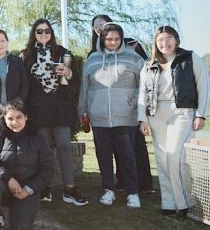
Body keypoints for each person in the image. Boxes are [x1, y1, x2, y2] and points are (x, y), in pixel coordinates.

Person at [138, 26, 209, 216]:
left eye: (168, 38)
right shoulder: (149, 64)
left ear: (176, 39)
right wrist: (142, 119)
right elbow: (142, 94)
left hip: (182, 112)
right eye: (160, 39)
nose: (165, 43)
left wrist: (201, 114)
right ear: (155, 43)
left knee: (174, 157)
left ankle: (184, 202)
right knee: (162, 160)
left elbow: (203, 87)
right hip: (156, 114)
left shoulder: (190, 58)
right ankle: (168, 203)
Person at [20, 19, 88, 206]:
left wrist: (67, 72)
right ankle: (44, 187)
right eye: (39, 31)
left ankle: (70, 189)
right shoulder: (26, 55)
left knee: (64, 145)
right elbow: (23, 82)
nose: (43, 34)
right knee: (44, 148)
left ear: (52, 33)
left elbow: (74, 79)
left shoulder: (62, 52)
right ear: (34, 33)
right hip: (37, 107)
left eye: (47, 31)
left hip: (60, 106)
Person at [79, 23, 144, 208]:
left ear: (121, 38)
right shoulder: (92, 59)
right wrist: (83, 110)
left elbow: (144, 85)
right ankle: (108, 189)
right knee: (104, 155)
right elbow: (85, 87)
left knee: (127, 155)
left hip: (125, 115)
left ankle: (133, 192)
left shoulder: (134, 58)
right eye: (109, 39)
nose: (113, 42)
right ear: (102, 39)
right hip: (99, 116)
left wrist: (134, 102)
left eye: (116, 38)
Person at [88, 14, 153, 194]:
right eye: (96, 26)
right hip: (106, 112)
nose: (99, 27)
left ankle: (144, 183)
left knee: (135, 147)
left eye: (103, 24)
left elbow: (144, 74)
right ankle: (122, 181)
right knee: (115, 148)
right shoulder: (93, 54)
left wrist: (136, 103)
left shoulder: (132, 45)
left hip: (129, 110)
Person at [0, 100, 54, 230]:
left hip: (27, 189)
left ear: (26, 117)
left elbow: (48, 169)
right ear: (4, 119)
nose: (15, 122)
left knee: (21, 229)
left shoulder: (38, 138)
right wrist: (8, 178)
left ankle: (20, 210)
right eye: (10, 118)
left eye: (19, 117)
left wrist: (29, 189)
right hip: (3, 185)